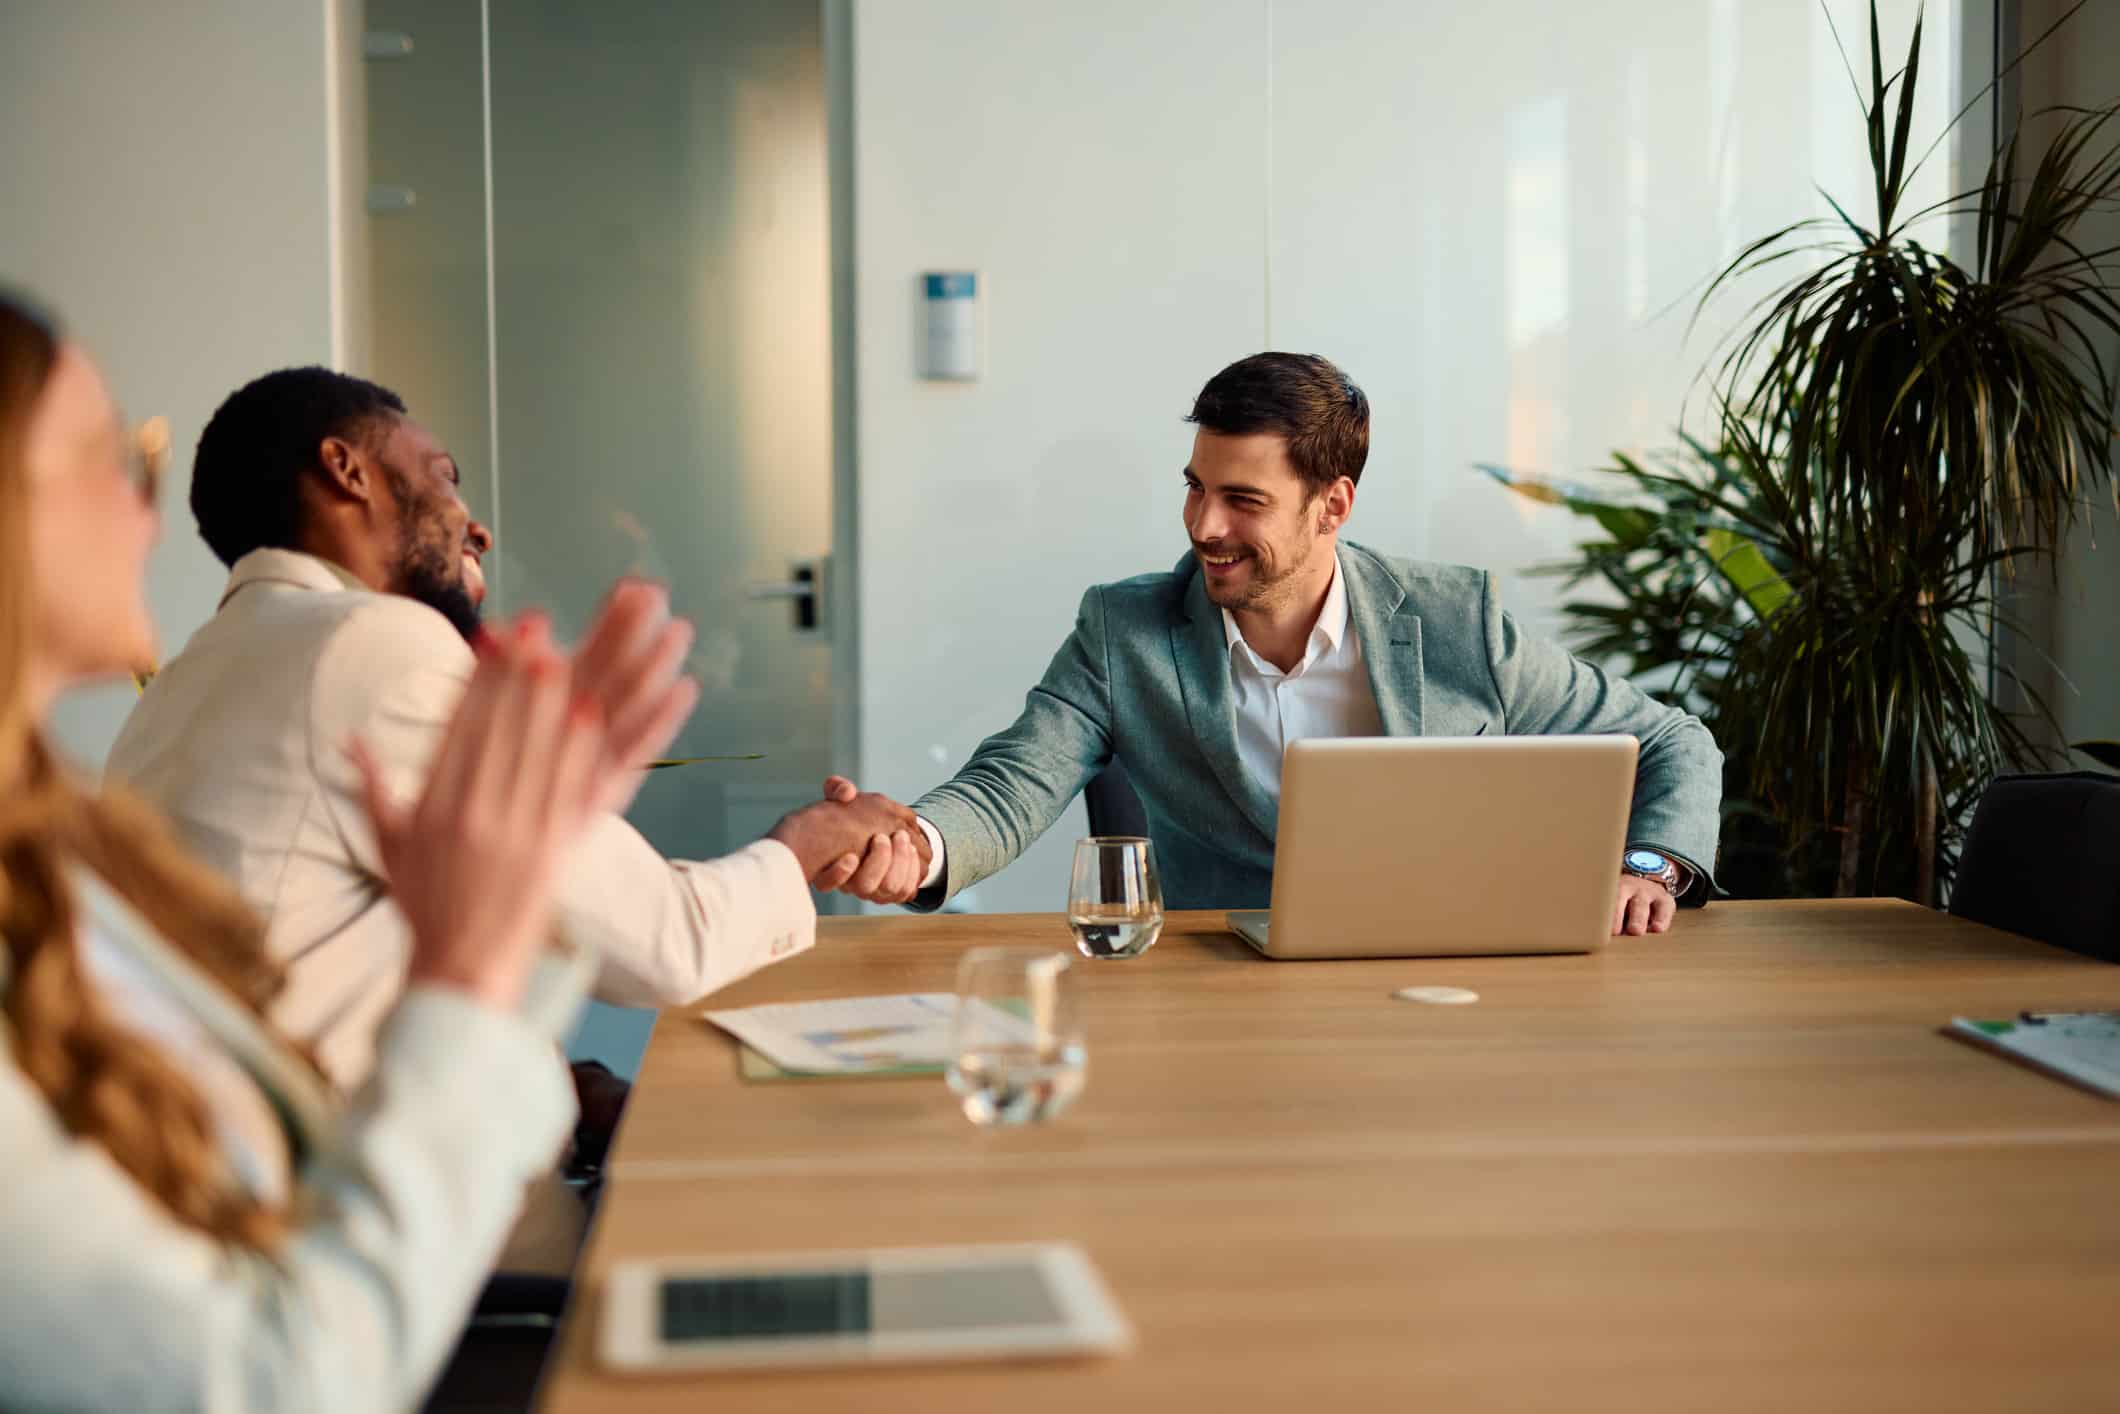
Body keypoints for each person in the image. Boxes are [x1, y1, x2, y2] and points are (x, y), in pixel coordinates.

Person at [0, 291, 685, 1407]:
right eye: (107, 455)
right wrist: (468, 984)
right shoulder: (372, 645)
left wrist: (507, 1021)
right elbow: (274, 1381)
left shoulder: (62, 835)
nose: (145, 509)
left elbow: (248, 1132)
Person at [107, 367, 925, 1088]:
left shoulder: (190, 678)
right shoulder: (367, 643)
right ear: (346, 471)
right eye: (443, 478)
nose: (478, 528)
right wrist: (812, 838)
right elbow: (669, 944)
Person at [837, 353, 1723, 935]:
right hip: (1220, 1005)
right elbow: (1009, 786)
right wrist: (919, 846)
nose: (1203, 525)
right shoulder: (1124, 632)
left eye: (1243, 500)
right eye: (1195, 488)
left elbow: (1672, 739)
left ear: (1332, 505)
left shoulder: (1457, 621)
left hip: (1449, 989)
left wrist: (1649, 864)